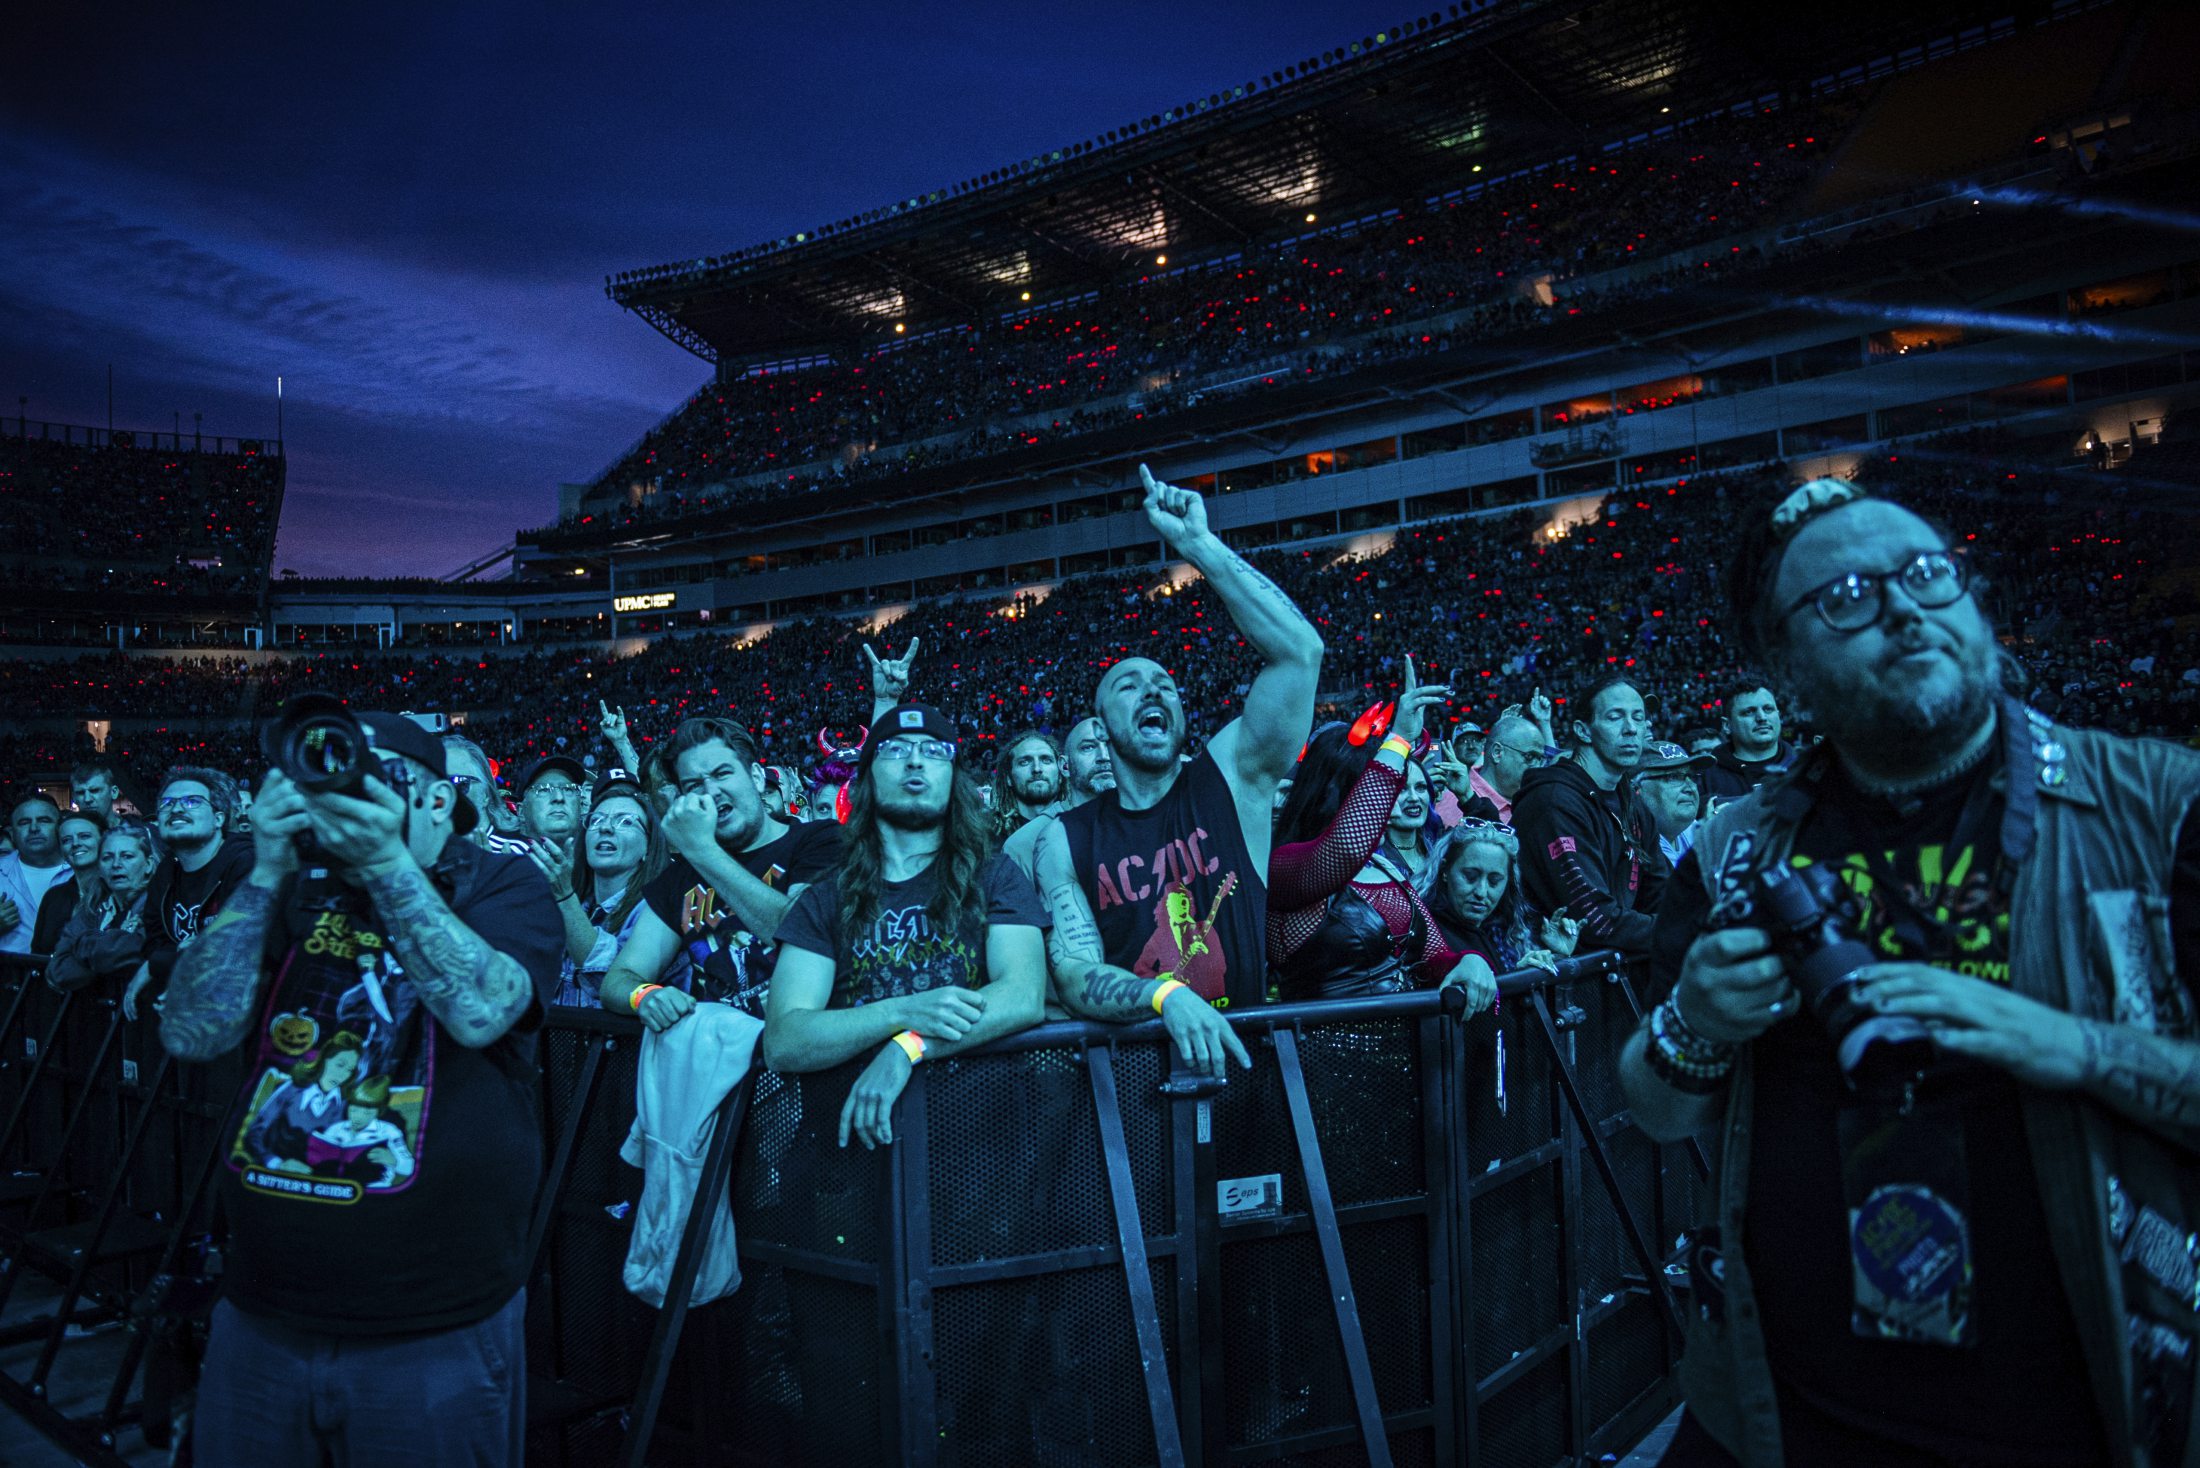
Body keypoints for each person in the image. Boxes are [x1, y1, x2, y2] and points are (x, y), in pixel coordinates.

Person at [1629, 477, 2200, 1467]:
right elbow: (1654, 1106)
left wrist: (2073, 1045)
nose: (1903, 608)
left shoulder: (2158, 806)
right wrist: (1695, 1021)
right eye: (1846, 596)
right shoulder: (1729, 850)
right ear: (1784, 663)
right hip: (1776, 1418)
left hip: (2087, 1417)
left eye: (1929, 574)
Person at [158, 709, 563, 1464]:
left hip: (433, 1317)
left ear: (437, 800)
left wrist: (384, 863)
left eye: (378, 780)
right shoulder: (285, 886)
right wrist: (266, 870)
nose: (349, 798)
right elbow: (191, 1031)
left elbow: (482, 1011)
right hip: (261, 1302)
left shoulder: (499, 882)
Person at [1035, 466, 1318, 1075]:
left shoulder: (1229, 780)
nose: (1152, 690)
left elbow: (1301, 653)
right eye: (1129, 685)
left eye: (1165, 684)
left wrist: (1199, 546)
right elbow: (1074, 970)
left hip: (1244, 1066)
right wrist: (1164, 996)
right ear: (1101, 727)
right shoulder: (1066, 837)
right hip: (1134, 1080)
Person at [766, 704, 1050, 1147]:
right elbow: (785, 1038)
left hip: (984, 1141)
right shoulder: (824, 897)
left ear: (954, 779)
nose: (915, 760)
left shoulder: (995, 875)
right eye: (895, 750)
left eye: (934, 751)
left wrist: (909, 1046)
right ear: (866, 780)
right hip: (853, 1145)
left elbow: (1023, 996)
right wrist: (902, 1012)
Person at [1265, 658, 1497, 1008]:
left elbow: (1433, 954)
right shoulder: (1286, 865)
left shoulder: (1383, 867)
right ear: (1340, 791)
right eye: (1388, 785)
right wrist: (1398, 739)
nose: (1392, 795)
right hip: (1327, 1040)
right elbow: (1346, 847)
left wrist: (1467, 961)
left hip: (1408, 1039)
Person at [601, 717, 844, 1029]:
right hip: (720, 1052)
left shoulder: (819, 840)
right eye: (694, 785)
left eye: (722, 773)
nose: (711, 791)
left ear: (756, 777)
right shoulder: (680, 879)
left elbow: (804, 933)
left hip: (805, 1046)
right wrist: (644, 995)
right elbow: (619, 979)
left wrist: (703, 853)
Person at [1512, 675, 1662, 956]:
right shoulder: (1554, 802)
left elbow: (1661, 890)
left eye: (1638, 718)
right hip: (1560, 971)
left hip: (1612, 968)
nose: (1631, 729)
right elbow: (1595, 919)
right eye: (1615, 717)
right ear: (1583, 731)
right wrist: (1677, 930)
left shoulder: (1629, 800)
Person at [134, 766, 254, 1015]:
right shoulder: (166, 871)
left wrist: (160, 965)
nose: (176, 809)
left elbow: (240, 944)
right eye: (167, 803)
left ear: (219, 819)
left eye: (192, 802)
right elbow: (154, 941)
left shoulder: (246, 863)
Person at [541, 769, 666, 1007]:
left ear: (648, 847)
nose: (605, 828)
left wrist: (564, 897)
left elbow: (612, 984)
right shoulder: (575, 904)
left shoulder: (655, 913)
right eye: (596, 820)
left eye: (625, 821)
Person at [1427, 821, 1581, 974]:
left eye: (1494, 881)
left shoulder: (1506, 932)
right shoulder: (1427, 934)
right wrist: (1518, 980)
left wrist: (1557, 957)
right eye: (1470, 877)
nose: (1481, 892)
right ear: (1444, 870)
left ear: (1509, 881)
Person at [46, 821, 159, 995]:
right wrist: (111, 948)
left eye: (127, 856)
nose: (116, 864)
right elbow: (59, 971)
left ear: (149, 864)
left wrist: (83, 943)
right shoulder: (91, 907)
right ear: (99, 867)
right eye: (107, 858)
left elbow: (137, 953)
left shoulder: (158, 905)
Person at [1000, 715, 1114, 882]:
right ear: (1065, 766)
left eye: (1112, 746)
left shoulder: (1148, 825)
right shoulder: (1025, 844)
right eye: (1088, 747)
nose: (1104, 756)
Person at [0, 792, 73, 957]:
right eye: (24, 822)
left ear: (60, 828)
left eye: (44, 820)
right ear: (12, 833)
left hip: (69, 972)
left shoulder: (83, 871)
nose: (34, 828)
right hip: (8, 971)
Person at [1704, 680, 1794, 800]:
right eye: (1749, 712)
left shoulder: (1804, 767)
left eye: (1768, 709)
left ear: (1778, 715)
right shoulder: (1706, 777)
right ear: (1727, 725)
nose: (1762, 718)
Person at [443, 731, 530, 854]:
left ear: (486, 794)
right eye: (437, 783)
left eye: (459, 782)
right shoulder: (423, 854)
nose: (445, 794)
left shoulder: (515, 852)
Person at [33, 807, 105, 954]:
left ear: (104, 840)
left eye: (84, 836)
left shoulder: (117, 892)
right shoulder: (54, 896)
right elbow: (38, 951)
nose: (75, 843)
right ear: (61, 849)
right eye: (66, 840)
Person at [1633, 741, 1712, 869]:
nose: (1690, 788)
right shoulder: (1630, 843)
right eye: (1674, 777)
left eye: (1691, 776)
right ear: (1636, 788)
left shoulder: (1691, 829)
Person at [990, 729, 1064, 841]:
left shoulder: (1081, 828)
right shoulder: (989, 836)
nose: (1037, 769)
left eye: (1046, 760)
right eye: (1024, 762)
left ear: (1060, 774)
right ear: (1009, 778)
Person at [514, 754, 587, 844]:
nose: (559, 797)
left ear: (581, 807)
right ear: (521, 811)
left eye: (568, 789)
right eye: (544, 790)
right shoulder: (505, 852)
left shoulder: (598, 851)